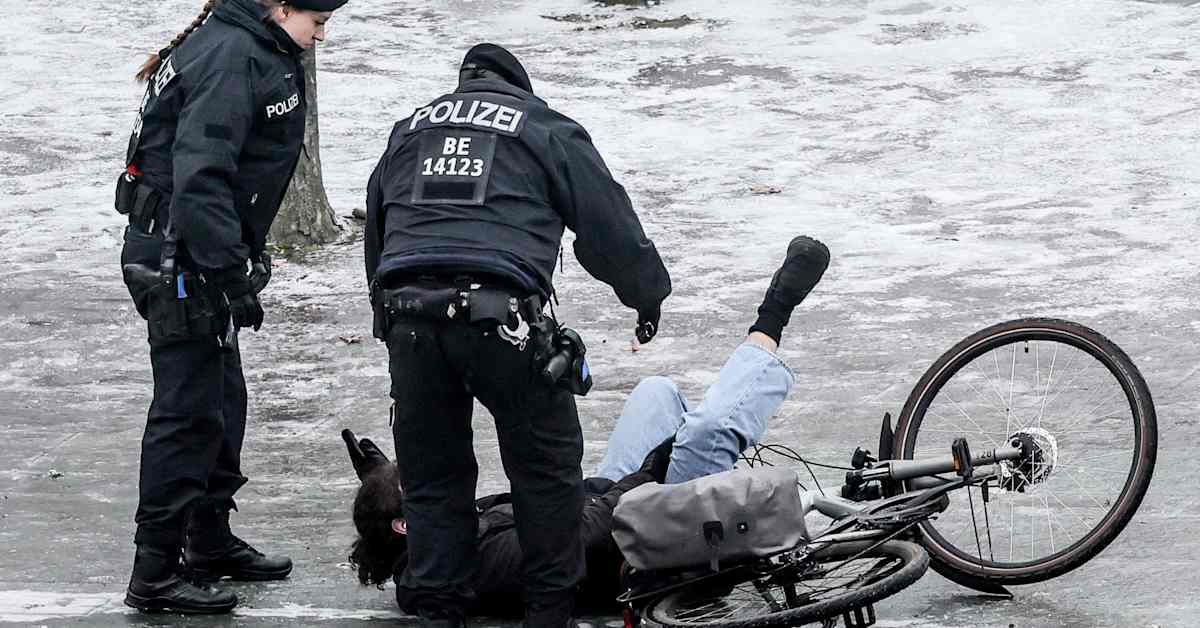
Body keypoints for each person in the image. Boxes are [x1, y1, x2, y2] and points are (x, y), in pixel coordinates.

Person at [346, 236, 830, 618]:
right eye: (414, 484)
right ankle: (775, 312)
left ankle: (712, 480)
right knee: (705, 434)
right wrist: (650, 474)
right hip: (636, 548)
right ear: (404, 525)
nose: (433, 477)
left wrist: (379, 475)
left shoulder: (437, 532)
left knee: (655, 393)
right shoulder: (465, 564)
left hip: (605, 503)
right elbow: (570, 541)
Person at [362, 43, 672, 628]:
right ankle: (548, 615)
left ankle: (439, 613)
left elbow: (378, 236)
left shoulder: (409, 131)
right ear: (519, 88)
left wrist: (390, 328)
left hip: (409, 317)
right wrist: (646, 294)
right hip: (500, 320)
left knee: (432, 482)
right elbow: (608, 225)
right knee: (546, 477)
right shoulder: (542, 127)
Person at [116, 0, 346, 614]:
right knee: (187, 414)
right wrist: (228, 272)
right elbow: (201, 179)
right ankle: (154, 571)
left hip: (197, 252)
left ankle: (208, 538)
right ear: (281, 7)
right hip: (179, 258)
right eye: (317, 23)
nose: (321, 36)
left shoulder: (250, 43)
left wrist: (241, 256)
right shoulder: (230, 57)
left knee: (222, 401)